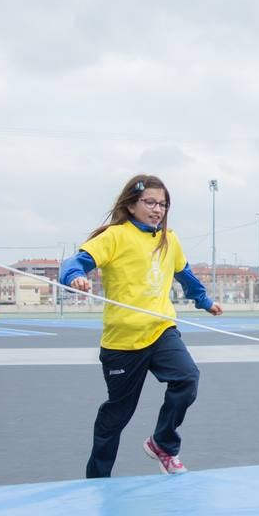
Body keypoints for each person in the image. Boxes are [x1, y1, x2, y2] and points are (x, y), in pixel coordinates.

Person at [60, 174, 222, 477]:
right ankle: (97, 478)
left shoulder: (169, 240)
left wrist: (204, 301)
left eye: (162, 204)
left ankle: (163, 443)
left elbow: (185, 275)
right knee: (118, 414)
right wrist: (75, 277)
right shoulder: (114, 236)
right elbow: (75, 262)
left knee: (187, 379)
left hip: (161, 330)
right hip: (122, 341)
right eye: (150, 202)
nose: (157, 209)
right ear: (132, 204)